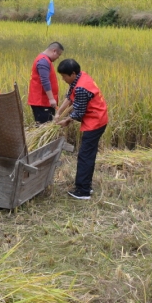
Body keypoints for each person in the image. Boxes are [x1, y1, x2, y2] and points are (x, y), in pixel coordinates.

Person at [56, 59, 108, 200]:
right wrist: (58, 113)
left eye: (64, 76)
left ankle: (83, 190)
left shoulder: (81, 88)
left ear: (72, 74)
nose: (63, 79)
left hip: (96, 121)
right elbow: (70, 97)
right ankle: (86, 186)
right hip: (98, 118)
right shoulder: (80, 77)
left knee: (85, 155)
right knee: (88, 154)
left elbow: (78, 111)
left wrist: (67, 120)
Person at [28, 42, 63, 124]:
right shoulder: (43, 61)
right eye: (59, 55)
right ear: (54, 51)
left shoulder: (44, 59)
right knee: (44, 126)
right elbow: (45, 80)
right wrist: (51, 99)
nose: (58, 58)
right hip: (42, 102)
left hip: (43, 101)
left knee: (45, 125)